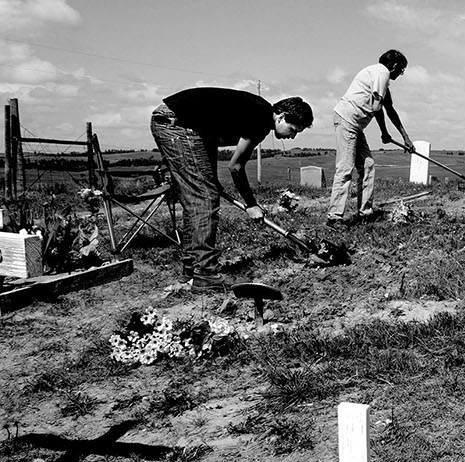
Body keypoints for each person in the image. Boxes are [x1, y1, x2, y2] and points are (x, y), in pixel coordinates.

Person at [150, 87, 314, 288]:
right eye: (293, 130)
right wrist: (251, 204)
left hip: (186, 125)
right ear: (281, 117)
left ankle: (192, 268)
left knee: (200, 195)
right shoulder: (260, 121)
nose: (292, 137)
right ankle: (205, 274)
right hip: (177, 123)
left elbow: (209, 134)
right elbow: (235, 167)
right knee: (204, 197)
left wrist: (210, 179)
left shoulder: (257, 112)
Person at [329, 49, 414, 225]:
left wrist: (405, 137)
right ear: (395, 65)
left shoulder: (381, 80)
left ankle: (365, 212)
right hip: (347, 120)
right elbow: (377, 108)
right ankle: (334, 217)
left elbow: (389, 108)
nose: (401, 73)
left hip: (355, 125)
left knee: (367, 165)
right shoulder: (381, 72)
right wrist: (384, 132)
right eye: (402, 69)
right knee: (345, 168)